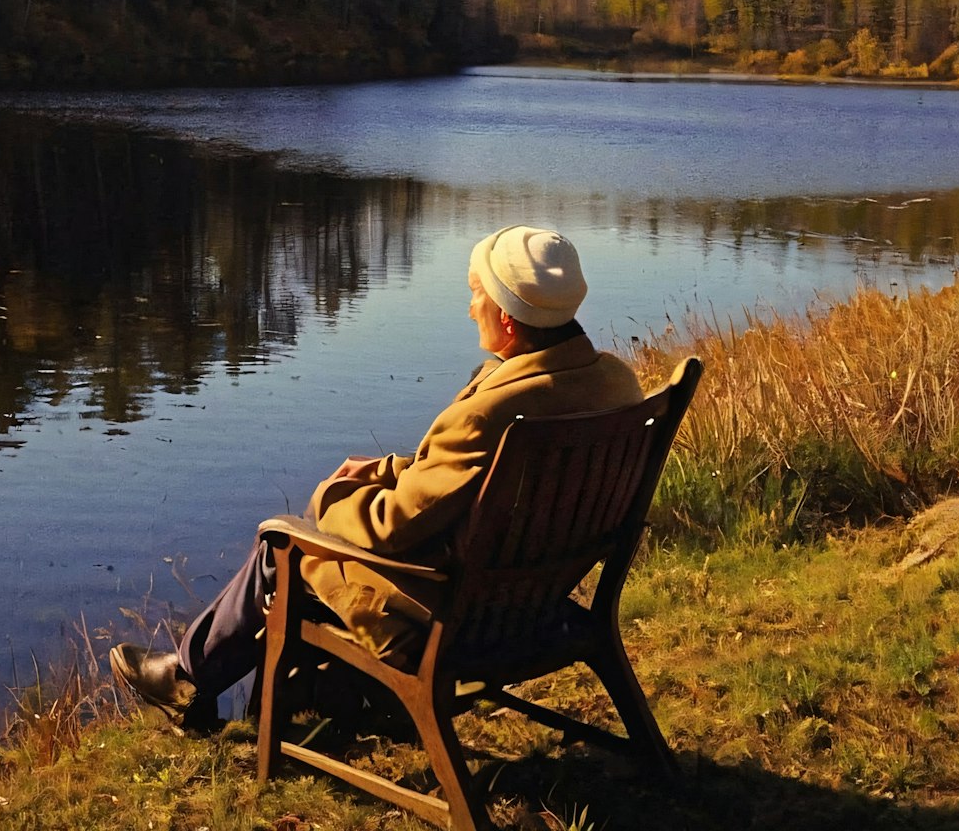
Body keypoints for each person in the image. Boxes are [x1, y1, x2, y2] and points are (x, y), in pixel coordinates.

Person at [110, 223, 643, 725]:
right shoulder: (616, 383)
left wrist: (332, 496)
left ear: (506, 317)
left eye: (476, 294)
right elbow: (467, 477)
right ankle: (274, 689)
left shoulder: (490, 414)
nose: (469, 306)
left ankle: (186, 680)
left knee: (282, 546)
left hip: (455, 623)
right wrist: (388, 469)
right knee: (300, 547)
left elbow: (391, 526)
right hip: (533, 602)